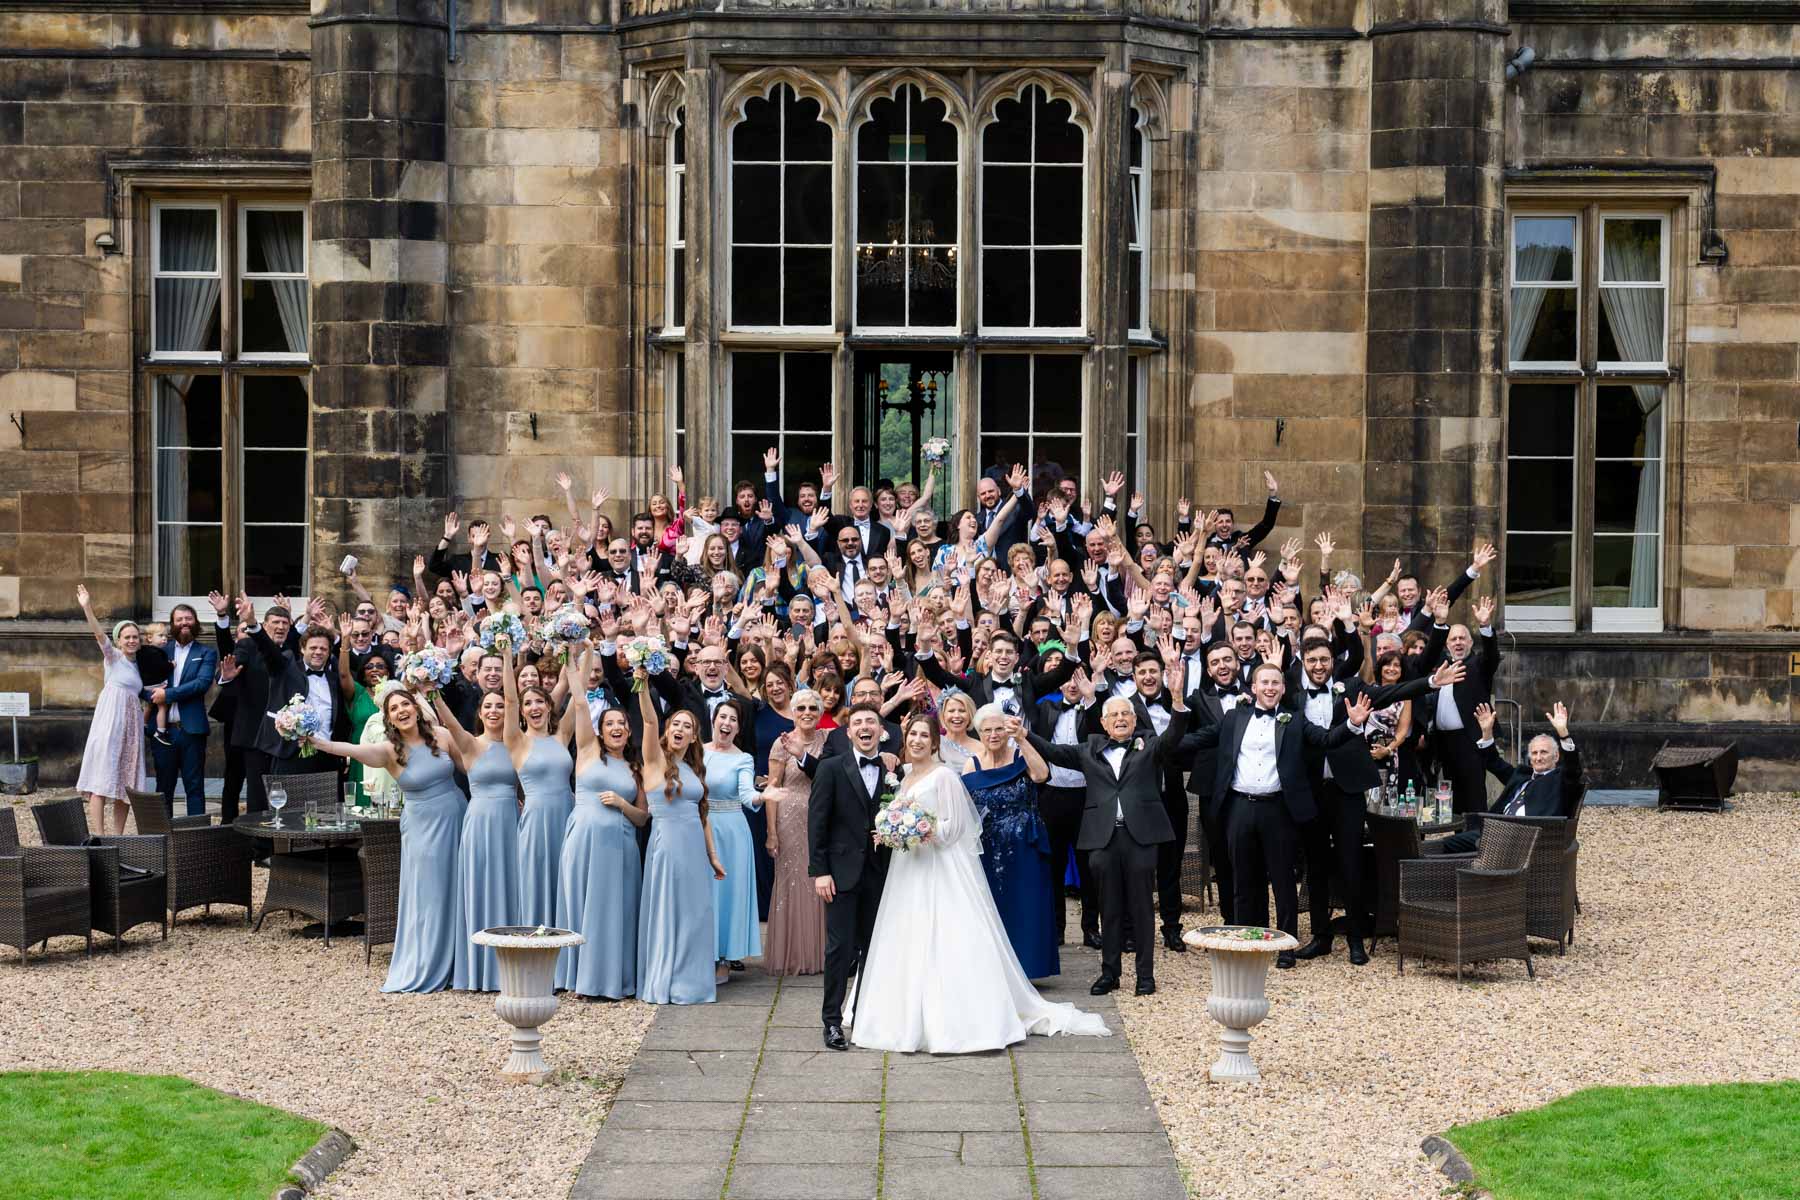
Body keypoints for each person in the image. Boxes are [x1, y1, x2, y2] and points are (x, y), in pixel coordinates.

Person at [849, 713, 1111, 1053]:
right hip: (908, 869)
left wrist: (918, 830)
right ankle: (899, 1015)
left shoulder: (944, 776)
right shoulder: (905, 776)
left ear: (934, 742)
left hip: (939, 869)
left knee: (948, 937)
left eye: (923, 736)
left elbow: (956, 827)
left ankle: (959, 1018)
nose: (916, 741)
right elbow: (899, 814)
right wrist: (891, 831)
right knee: (905, 935)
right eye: (911, 734)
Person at [1184, 663, 1371, 968]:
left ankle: (1285, 948)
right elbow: (1198, 740)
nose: (1270, 688)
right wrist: (1160, 744)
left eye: (1276, 683)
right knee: (1244, 879)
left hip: (1278, 808)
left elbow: (1325, 740)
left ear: (1283, 689)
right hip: (1240, 806)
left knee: (1283, 880)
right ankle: (1246, 945)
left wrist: (1351, 725)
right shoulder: (1233, 718)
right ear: (1253, 688)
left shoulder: (1294, 721)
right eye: (1264, 683)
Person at [1290, 641, 1464, 965]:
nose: (1318, 665)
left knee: (1350, 860)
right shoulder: (1294, 695)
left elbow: (1389, 694)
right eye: (1312, 660)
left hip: (1348, 789)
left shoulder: (1351, 687)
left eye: (1324, 659)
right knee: (1315, 865)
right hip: (1311, 790)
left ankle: (1356, 937)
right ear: (1303, 662)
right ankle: (1321, 936)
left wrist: (1428, 683)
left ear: (1333, 661)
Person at [1025, 660, 1188, 997]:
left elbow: (1174, 735)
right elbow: (1055, 752)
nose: (1120, 720)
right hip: (1102, 838)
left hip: (1140, 837)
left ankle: (1145, 975)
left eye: (1125, 715)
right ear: (1102, 722)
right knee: (1109, 908)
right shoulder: (1089, 750)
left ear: (1134, 719)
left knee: (1142, 909)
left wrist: (1176, 699)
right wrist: (1024, 734)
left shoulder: (1149, 745)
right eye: (1113, 716)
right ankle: (1110, 973)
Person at [306, 688, 466, 993]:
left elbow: (469, 765)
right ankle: (430, 961)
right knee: (430, 893)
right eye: (395, 708)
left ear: (417, 708)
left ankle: (463, 960)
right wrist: (317, 741)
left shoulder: (442, 736)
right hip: (422, 828)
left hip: (457, 815)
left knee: (460, 886)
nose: (402, 710)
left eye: (406, 703)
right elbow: (350, 749)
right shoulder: (390, 750)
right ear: (388, 718)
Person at [559, 652, 648, 999]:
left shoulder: (635, 769)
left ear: (628, 732)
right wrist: (571, 657)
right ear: (601, 729)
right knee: (583, 905)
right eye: (610, 724)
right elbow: (580, 703)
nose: (616, 729)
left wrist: (623, 804)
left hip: (621, 846)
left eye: (621, 725)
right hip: (583, 840)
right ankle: (582, 978)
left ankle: (614, 980)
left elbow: (642, 818)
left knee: (615, 911)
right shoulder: (586, 752)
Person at [807, 704, 895, 1050]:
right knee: (839, 950)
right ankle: (832, 1022)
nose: (864, 727)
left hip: (882, 874)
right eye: (857, 722)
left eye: (870, 722)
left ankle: (864, 1016)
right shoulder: (830, 768)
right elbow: (817, 823)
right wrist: (820, 871)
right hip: (840, 874)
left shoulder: (893, 770)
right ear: (848, 732)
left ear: (880, 729)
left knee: (875, 949)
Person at [634, 670, 724, 1005]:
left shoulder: (695, 769)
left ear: (693, 737)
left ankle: (692, 982)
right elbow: (648, 721)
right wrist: (642, 683)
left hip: (694, 849)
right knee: (671, 910)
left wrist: (712, 855)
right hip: (668, 845)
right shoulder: (655, 760)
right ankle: (668, 979)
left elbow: (703, 816)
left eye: (688, 727)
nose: (680, 730)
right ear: (668, 730)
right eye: (676, 724)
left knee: (696, 913)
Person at [434, 686, 521, 992]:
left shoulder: (517, 745)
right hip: (481, 822)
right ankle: (479, 969)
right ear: (481, 712)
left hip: (511, 820)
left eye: (500, 705)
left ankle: (512, 965)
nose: (495, 710)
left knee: (510, 886)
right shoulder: (470, 744)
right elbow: (447, 720)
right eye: (489, 706)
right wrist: (431, 692)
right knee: (480, 886)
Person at [963, 705, 1057, 979]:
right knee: (994, 907)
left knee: (1027, 905)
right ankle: (996, 972)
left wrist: (1022, 740)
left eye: (998, 728)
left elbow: (1041, 775)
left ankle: (1030, 968)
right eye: (987, 730)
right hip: (989, 846)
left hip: (1025, 841)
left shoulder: (1020, 755)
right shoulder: (972, 763)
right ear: (979, 733)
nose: (993, 734)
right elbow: (964, 805)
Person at [1435, 703, 1583, 854]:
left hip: (1529, 838)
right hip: (1495, 829)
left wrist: (1563, 733)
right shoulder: (1521, 775)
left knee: (1478, 845)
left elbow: (1574, 768)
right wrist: (1487, 733)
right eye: (1534, 753)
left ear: (1556, 756)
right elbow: (1494, 762)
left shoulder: (1560, 779)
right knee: (1446, 844)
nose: (1538, 758)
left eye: (1544, 752)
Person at [506, 644, 578, 948]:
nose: (534, 707)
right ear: (522, 712)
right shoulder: (517, 741)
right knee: (537, 881)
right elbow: (509, 699)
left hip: (569, 815)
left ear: (549, 706)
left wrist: (577, 650)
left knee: (567, 881)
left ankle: (568, 955)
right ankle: (536, 951)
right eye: (528, 704)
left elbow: (578, 694)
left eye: (540, 701)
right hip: (536, 821)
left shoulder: (562, 734)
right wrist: (504, 651)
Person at [761, 687, 828, 976]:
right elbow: (772, 789)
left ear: (821, 713)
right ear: (793, 713)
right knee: (791, 879)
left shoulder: (828, 740)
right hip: (788, 818)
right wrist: (771, 832)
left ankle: (818, 952)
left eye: (813, 708)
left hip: (821, 819)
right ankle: (791, 953)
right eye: (801, 708)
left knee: (819, 881)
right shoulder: (782, 743)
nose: (807, 713)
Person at [71, 584, 146, 836]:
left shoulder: (139, 666)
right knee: (102, 778)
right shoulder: (113, 657)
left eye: (135, 636)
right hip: (111, 722)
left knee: (126, 783)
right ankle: (100, 836)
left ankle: (119, 836)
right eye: (127, 637)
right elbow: (98, 636)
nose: (132, 640)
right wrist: (87, 607)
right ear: (119, 640)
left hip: (131, 727)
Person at [1424, 593, 1501, 815]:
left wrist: (1485, 626)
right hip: (1444, 742)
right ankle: (1459, 840)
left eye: (1462, 638)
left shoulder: (1478, 665)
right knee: (1451, 797)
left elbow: (1492, 657)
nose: (1458, 642)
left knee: (1473, 795)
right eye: (1453, 639)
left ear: (1469, 642)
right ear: (1447, 645)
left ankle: (1477, 840)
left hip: (1470, 740)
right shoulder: (1441, 667)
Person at [703, 699, 761, 981]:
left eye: (733, 719)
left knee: (726, 894)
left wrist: (762, 796)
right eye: (722, 717)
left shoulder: (743, 759)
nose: (726, 723)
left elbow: (747, 793)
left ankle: (724, 958)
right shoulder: (696, 751)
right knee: (702, 893)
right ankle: (700, 953)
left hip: (731, 831)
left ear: (738, 727)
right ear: (713, 720)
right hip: (699, 826)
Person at [144, 604, 217, 819]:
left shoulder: (206, 652)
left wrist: (168, 695)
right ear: (172, 624)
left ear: (195, 622)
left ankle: (196, 836)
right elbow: (143, 683)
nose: (184, 622)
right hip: (162, 732)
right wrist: (152, 696)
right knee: (162, 787)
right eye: (179, 619)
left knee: (194, 787)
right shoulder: (160, 651)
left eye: (188, 618)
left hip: (191, 731)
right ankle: (162, 837)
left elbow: (201, 684)